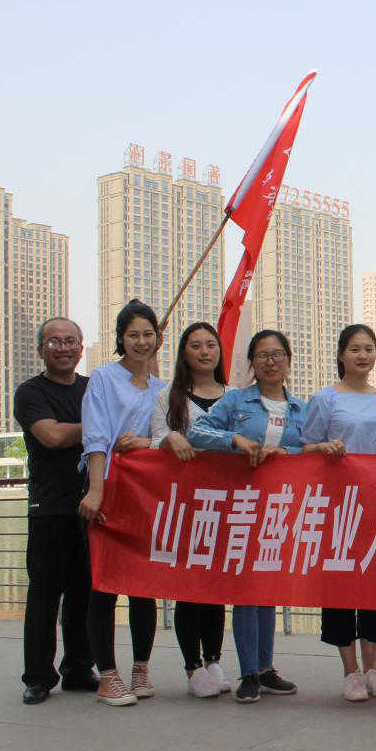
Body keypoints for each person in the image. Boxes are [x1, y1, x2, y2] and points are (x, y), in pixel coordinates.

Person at [188, 330, 312, 704]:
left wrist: (286, 454)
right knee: (246, 590)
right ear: (252, 363)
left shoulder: (300, 409)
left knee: (267, 588)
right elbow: (195, 432)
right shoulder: (235, 401)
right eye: (262, 355)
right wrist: (235, 441)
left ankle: (266, 667)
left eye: (278, 354)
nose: (271, 362)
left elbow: (310, 450)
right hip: (241, 505)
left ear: (289, 360)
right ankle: (248, 673)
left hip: (280, 508)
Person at [303, 324, 376, 703]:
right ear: (341, 355)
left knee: (374, 585)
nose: (363, 355)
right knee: (341, 585)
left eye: (369, 348)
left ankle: (373, 669)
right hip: (338, 505)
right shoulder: (324, 399)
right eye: (355, 349)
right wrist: (322, 448)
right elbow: (304, 448)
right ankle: (350, 671)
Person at [78, 300, 165, 707]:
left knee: (144, 585)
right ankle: (108, 676)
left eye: (148, 334)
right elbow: (96, 436)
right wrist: (96, 490)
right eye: (133, 335)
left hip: (146, 495)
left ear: (157, 338)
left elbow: (169, 438)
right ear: (120, 339)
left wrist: (147, 442)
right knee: (106, 584)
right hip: (110, 488)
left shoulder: (163, 389)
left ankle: (141, 669)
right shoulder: (103, 378)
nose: (141, 342)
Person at [15, 317, 98, 704]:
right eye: (54, 341)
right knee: (44, 595)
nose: (63, 348)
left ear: (81, 347)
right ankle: (38, 677)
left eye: (70, 341)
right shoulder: (30, 392)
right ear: (41, 350)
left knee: (85, 593)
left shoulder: (93, 388)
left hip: (91, 506)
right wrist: (98, 426)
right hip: (48, 507)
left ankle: (79, 669)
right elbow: (50, 436)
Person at [150, 322, 231, 699]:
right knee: (189, 584)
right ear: (184, 353)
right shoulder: (170, 396)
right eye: (195, 346)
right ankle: (193, 666)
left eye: (210, 345)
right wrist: (171, 436)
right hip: (185, 502)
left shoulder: (233, 396)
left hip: (226, 503)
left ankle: (214, 659)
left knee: (216, 585)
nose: (204, 352)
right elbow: (155, 437)